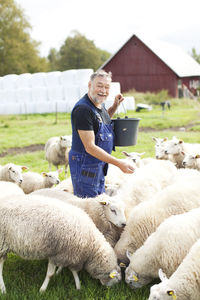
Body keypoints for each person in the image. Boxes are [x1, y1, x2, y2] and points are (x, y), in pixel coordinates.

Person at [69, 70, 134, 198]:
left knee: (99, 203)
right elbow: (90, 147)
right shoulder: (83, 110)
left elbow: (101, 121)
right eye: (99, 86)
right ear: (90, 85)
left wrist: (115, 105)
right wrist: (119, 163)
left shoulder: (98, 105)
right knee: (90, 206)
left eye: (107, 87)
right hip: (85, 167)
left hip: (97, 165)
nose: (103, 90)